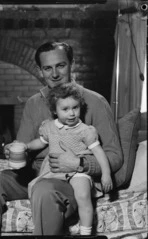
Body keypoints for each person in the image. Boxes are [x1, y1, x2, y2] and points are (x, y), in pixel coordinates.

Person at [0, 41, 123, 235]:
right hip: (37, 173)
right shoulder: (33, 103)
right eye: (47, 68)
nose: (54, 74)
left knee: (44, 189)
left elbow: (115, 157)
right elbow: (25, 149)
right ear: (40, 70)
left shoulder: (95, 101)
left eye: (60, 65)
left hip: (71, 179)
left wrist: (79, 163)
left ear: (71, 63)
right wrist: (15, 152)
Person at [26, 82, 113, 235]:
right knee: (41, 190)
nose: (71, 113)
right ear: (55, 111)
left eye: (75, 108)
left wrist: (106, 174)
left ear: (80, 107)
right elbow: (40, 142)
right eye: (65, 109)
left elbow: (99, 153)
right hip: (55, 170)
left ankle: (86, 232)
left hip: (77, 169)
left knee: (83, 195)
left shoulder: (85, 131)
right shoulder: (49, 127)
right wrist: (26, 146)